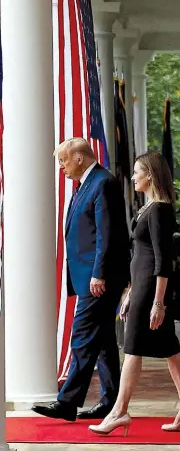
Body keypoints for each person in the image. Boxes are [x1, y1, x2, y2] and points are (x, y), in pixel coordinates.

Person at [89, 152, 180, 436]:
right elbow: (138, 256)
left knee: (132, 348)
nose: (133, 176)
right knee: (170, 349)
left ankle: (119, 411)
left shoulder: (160, 210)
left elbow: (163, 260)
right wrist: (129, 291)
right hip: (141, 286)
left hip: (152, 289)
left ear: (150, 175)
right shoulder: (147, 208)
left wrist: (158, 302)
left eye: (138, 171)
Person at [32, 138, 130, 421]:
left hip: (98, 277)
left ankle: (67, 402)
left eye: (63, 160)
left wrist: (99, 273)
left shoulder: (103, 183)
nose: (61, 166)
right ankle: (112, 402)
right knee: (102, 342)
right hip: (89, 274)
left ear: (78, 158)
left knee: (83, 335)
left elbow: (106, 233)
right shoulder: (87, 183)